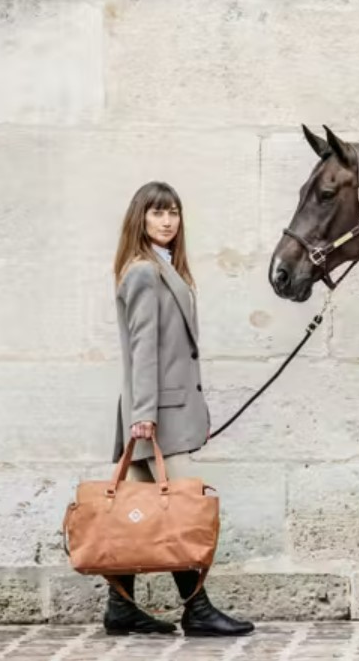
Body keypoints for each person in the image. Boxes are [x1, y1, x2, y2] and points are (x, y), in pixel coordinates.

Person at [104, 181, 254, 637]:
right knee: (183, 512)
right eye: (157, 213)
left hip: (165, 412)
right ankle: (198, 610)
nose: (167, 221)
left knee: (133, 514)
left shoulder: (165, 268)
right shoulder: (146, 272)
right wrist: (145, 415)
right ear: (140, 218)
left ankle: (121, 608)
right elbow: (142, 348)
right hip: (156, 418)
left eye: (173, 213)